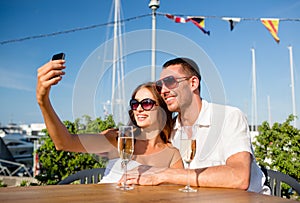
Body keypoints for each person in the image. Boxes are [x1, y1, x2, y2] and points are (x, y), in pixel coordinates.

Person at [124, 57, 270, 194]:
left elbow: (239, 178)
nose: (163, 91)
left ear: (193, 83)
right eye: (160, 86)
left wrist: (163, 174)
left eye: (170, 82)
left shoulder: (228, 117)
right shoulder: (171, 130)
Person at [36, 58, 183, 183]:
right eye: (134, 104)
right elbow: (64, 142)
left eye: (146, 103)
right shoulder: (119, 140)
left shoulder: (172, 154)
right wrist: (43, 101)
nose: (138, 109)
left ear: (162, 111)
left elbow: (179, 193)